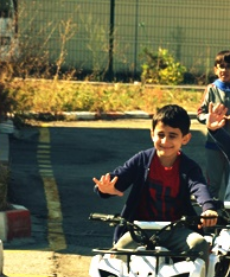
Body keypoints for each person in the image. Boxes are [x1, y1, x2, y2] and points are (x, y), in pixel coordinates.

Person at [92, 104, 220, 259]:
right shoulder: (142, 160)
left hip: (176, 229)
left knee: (200, 245)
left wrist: (208, 208)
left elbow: (199, 186)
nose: (165, 141)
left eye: (172, 135)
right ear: (152, 134)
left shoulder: (189, 167)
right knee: (118, 256)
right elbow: (118, 179)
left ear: (185, 138)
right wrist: (104, 189)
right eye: (161, 134)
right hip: (140, 229)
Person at [196, 50, 230, 199]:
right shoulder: (212, 89)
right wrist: (210, 118)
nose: (224, 70)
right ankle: (210, 213)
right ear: (215, 69)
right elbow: (200, 113)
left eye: (229, 67)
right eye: (221, 66)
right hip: (214, 145)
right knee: (213, 183)